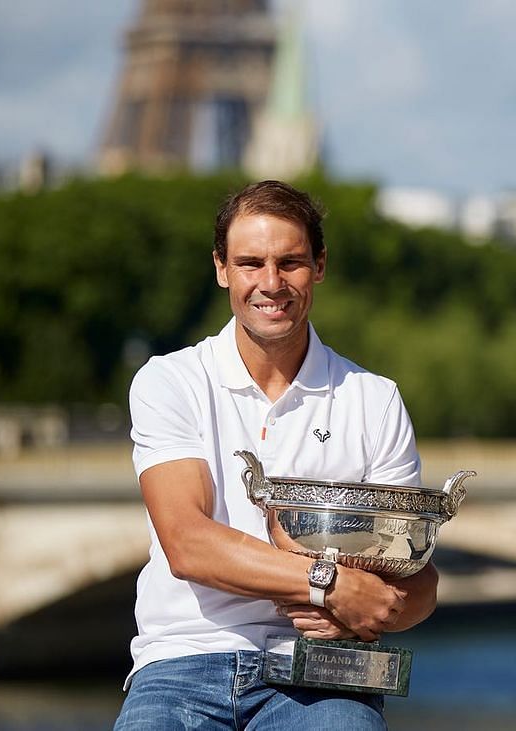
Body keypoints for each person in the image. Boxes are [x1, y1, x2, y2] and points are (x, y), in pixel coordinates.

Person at [114, 180, 437, 730]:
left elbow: (418, 582)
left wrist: (385, 607)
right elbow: (188, 546)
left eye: (290, 262)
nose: (271, 283)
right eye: (250, 263)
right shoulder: (169, 381)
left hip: (324, 675)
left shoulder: (374, 399)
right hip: (182, 660)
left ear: (320, 266)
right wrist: (332, 585)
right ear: (221, 269)